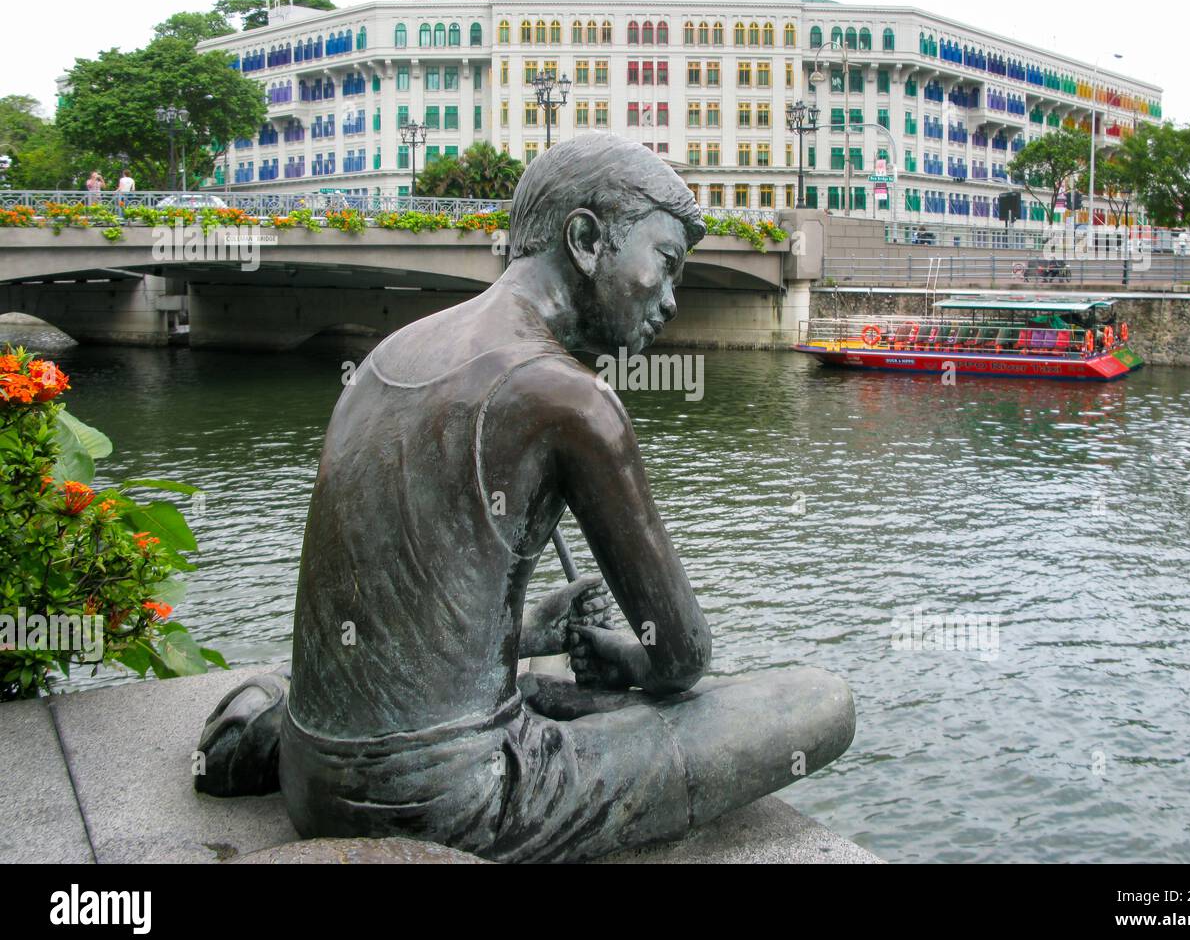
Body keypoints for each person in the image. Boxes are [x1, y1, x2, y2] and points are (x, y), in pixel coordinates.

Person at [196, 134, 855, 863]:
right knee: (820, 699)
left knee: (544, 694)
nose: (672, 300)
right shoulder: (572, 398)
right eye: (666, 264)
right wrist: (626, 660)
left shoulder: (388, 354)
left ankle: (268, 718)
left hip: (311, 777)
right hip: (455, 799)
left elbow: (396, 592)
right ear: (586, 240)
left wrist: (532, 630)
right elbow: (681, 657)